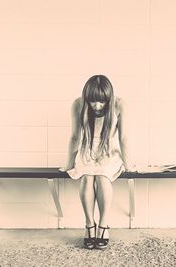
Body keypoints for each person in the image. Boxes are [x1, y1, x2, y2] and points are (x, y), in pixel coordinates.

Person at [59, 75, 134, 249]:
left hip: (109, 151)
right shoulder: (78, 104)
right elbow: (75, 137)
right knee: (87, 177)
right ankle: (89, 225)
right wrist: (69, 164)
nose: (97, 106)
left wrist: (129, 164)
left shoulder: (119, 105)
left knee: (102, 177)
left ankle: (104, 225)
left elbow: (124, 138)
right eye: (93, 101)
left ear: (109, 98)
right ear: (86, 98)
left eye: (101, 102)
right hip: (87, 151)